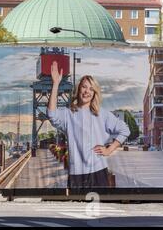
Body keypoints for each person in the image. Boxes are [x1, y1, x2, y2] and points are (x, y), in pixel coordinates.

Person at [47, 61, 130, 189]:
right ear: (78, 89)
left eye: (91, 89)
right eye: (84, 87)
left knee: (101, 207)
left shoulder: (102, 114)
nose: (87, 92)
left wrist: (109, 149)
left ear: (95, 93)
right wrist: (56, 84)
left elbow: (124, 130)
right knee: (77, 208)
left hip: (98, 172)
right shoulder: (68, 114)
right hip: (76, 174)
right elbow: (52, 114)